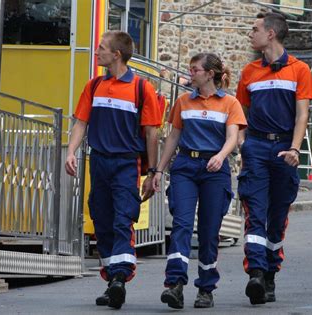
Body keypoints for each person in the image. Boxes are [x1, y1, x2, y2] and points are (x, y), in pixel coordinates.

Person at [65, 31, 161, 309]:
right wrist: (71, 152)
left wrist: (153, 172)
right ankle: (111, 280)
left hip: (126, 163)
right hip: (99, 162)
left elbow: (151, 134)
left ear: (116, 55)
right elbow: (81, 123)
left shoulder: (142, 88)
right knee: (102, 219)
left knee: (123, 219)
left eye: (102, 48)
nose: (97, 52)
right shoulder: (94, 86)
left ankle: (119, 277)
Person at [153, 53, 247, 309]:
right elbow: (173, 138)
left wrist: (221, 156)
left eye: (194, 70)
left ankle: (206, 288)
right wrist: (158, 171)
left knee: (208, 231)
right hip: (185, 167)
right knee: (182, 223)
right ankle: (175, 283)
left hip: (214, 170)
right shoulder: (183, 101)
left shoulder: (230, 103)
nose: (190, 73)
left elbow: (232, 137)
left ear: (209, 74)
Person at [236, 12, 312, 305]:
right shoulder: (249, 72)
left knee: (277, 216)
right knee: (255, 211)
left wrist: (295, 149)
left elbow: (302, 114)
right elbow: (239, 114)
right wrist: (244, 144)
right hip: (256, 147)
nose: (250, 33)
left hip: (284, 148)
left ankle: (270, 273)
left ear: (271, 34)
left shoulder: (299, 69)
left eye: (255, 29)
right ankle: (255, 272)